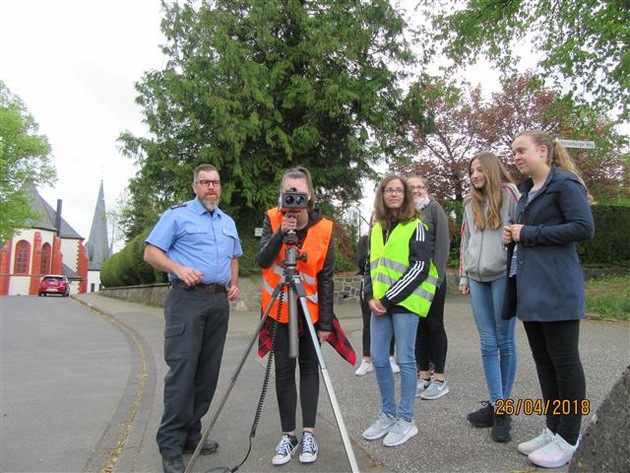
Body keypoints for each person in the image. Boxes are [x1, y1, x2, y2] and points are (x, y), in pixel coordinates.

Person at [144, 164, 242, 473]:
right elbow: (151, 253)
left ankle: (190, 435)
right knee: (182, 373)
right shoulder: (177, 215)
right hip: (186, 301)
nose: (211, 187)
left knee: (207, 374)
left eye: (215, 182)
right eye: (205, 182)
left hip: (217, 303)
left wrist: (234, 283)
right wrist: (178, 268)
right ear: (195, 186)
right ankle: (170, 446)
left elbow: (234, 257)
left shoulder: (228, 222)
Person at [504, 131, 594, 468]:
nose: (516, 157)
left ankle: (569, 437)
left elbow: (584, 227)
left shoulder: (564, 184)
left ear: (543, 151)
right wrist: (513, 236)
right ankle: (553, 428)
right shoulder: (527, 193)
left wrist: (527, 233)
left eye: (521, 151)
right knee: (544, 363)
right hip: (532, 290)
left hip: (558, 289)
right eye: (513, 152)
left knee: (565, 363)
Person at [256, 167, 334, 466]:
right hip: (278, 312)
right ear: (281, 193)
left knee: (310, 370)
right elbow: (263, 259)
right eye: (289, 192)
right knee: (285, 372)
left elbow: (326, 279)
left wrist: (326, 324)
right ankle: (288, 435)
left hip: (309, 313)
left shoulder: (325, 228)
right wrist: (280, 232)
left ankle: (309, 433)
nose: (294, 199)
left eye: (300, 194)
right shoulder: (272, 218)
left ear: (310, 196)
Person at [362, 174, 438, 447]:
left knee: (406, 360)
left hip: (404, 303)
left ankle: (406, 420)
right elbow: (371, 265)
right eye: (388, 190)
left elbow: (419, 267)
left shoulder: (416, 225)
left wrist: (388, 299)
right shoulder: (377, 227)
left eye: (398, 190)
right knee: (380, 359)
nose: (393, 194)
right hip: (379, 303)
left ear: (406, 195)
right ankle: (387, 413)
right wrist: (371, 297)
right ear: (382, 195)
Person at [459, 152, 520, 443]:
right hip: (476, 277)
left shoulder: (509, 194)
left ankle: (501, 409)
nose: (474, 174)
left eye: (480, 169)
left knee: (505, 342)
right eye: (472, 170)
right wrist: (463, 275)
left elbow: (522, 234)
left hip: (502, 277)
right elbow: (465, 239)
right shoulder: (469, 203)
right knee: (487, 343)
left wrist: (517, 274)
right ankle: (499, 407)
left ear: (492, 170)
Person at [408, 175, 451, 400]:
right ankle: (423, 375)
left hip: (432, 281)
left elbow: (443, 245)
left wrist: (438, 278)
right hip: (412, 282)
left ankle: (439, 378)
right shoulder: (405, 213)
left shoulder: (434, 209)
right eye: (413, 187)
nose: (417, 190)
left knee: (434, 325)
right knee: (418, 328)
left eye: (421, 187)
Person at [355, 214, 399, 376]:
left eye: (378, 221)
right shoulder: (365, 240)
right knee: (368, 322)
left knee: (390, 320)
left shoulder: (388, 238)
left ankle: (389, 357)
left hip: (387, 286)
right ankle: (367, 360)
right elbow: (361, 262)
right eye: (373, 221)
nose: (376, 224)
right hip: (368, 285)